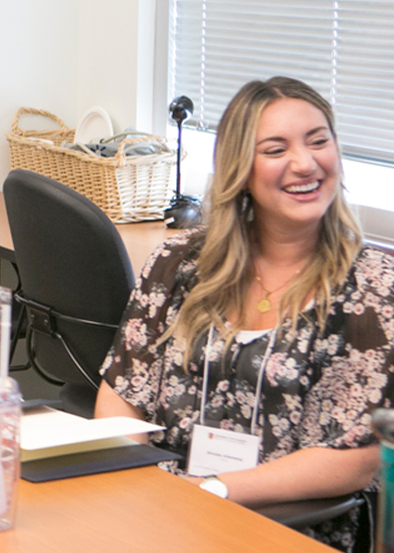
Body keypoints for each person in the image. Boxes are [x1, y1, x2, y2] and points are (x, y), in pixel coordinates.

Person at [94, 77, 394, 551]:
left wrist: (214, 490)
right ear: (240, 170)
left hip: (292, 528)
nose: (305, 163)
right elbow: (121, 397)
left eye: (319, 141)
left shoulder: (375, 287)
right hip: (163, 513)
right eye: (275, 149)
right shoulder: (180, 264)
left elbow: (360, 454)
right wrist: (138, 489)